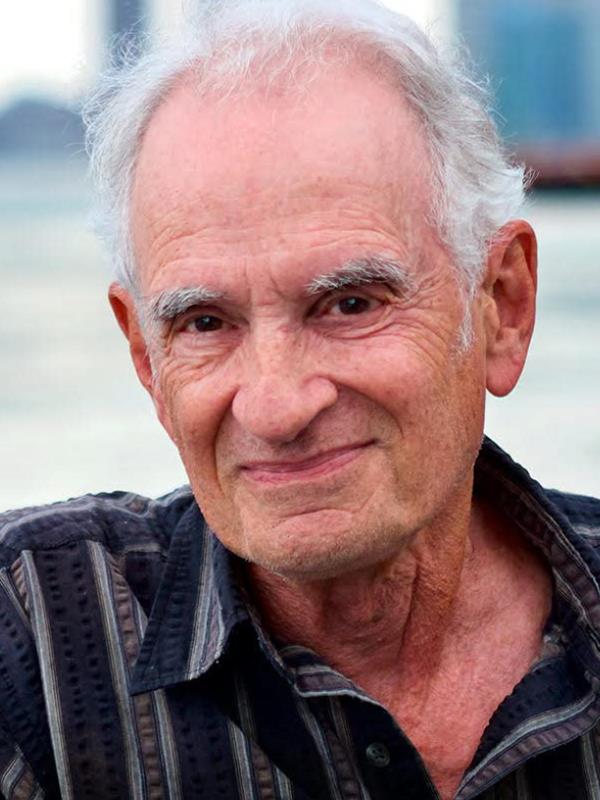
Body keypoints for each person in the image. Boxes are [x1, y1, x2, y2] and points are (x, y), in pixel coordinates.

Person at [1, 1, 598, 798]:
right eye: (205, 323)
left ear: (501, 304)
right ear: (147, 358)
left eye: (349, 305)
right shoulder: (29, 644)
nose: (277, 407)